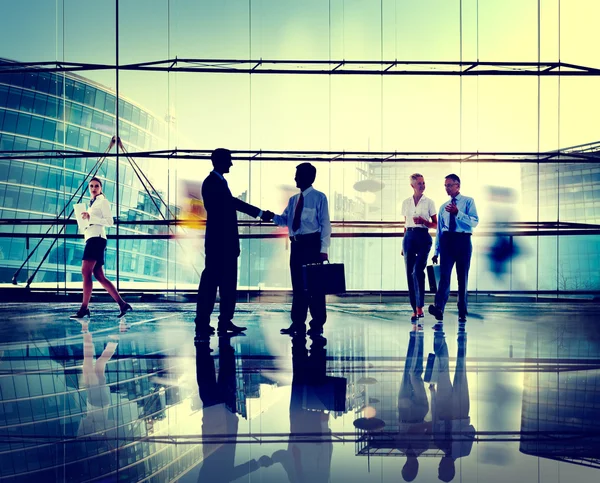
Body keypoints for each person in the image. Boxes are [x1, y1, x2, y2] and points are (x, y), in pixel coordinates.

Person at [195, 148, 273, 339]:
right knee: (212, 284)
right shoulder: (212, 183)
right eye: (229, 160)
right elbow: (232, 204)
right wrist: (261, 213)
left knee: (227, 284)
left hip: (224, 244)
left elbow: (230, 205)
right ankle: (204, 322)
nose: (231, 164)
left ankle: (223, 321)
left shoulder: (218, 182)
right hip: (219, 244)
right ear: (220, 161)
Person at [195, 337, 272, 482]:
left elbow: (235, 473)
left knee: (223, 376)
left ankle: (214, 340)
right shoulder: (208, 478)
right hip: (217, 417)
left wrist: (259, 463)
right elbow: (235, 473)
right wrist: (258, 464)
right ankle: (207, 342)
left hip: (221, 418)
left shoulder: (213, 479)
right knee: (214, 377)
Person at [272, 163, 331, 336]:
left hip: (312, 246)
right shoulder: (293, 201)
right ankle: (297, 323)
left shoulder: (319, 198)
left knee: (315, 287)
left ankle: (317, 323)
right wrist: (268, 215)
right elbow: (284, 220)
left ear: (308, 177)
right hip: (296, 246)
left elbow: (325, 224)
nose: (295, 178)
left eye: (297, 174)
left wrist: (323, 248)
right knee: (298, 286)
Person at [70, 177, 131, 319]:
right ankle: (122, 304)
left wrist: (90, 217)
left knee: (86, 271)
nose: (93, 188)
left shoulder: (103, 202)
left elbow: (110, 222)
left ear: (101, 188)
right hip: (92, 238)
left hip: (97, 239)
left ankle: (84, 308)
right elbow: (91, 221)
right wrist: (85, 222)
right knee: (98, 275)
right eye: (91, 186)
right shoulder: (91, 204)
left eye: (96, 186)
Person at [428, 174, 478, 326]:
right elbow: (440, 231)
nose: (447, 188)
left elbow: (474, 222)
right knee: (444, 277)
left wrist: (458, 213)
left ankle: (462, 311)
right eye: (445, 185)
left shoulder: (468, 201)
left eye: (449, 185)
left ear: (458, 186)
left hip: (462, 241)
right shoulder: (443, 207)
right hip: (447, 242)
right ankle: (439, 309)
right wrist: (436, 251)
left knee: (462, 278)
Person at [430, 329, 474, 482]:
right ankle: (462, 332)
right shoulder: (464, 451)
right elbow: (472, 430)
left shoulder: (438, 442)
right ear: (451, 468)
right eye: (442, 468)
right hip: (460, 411)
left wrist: (433, 395)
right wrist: (456, 435)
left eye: (439, 468)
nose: (440, 464)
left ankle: (439, 334)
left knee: (442, 370)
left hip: (442, 408)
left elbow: (434, 418)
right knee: (461, 367)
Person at [401, 174, 437, 322]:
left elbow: (435, 225)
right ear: (412, 186)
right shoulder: (406, 203)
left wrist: (424, 221)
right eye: (419, 183)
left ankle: (420, 306)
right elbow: (405, 223)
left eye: (423, 183)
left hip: (423, 237)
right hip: (409, 237)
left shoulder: (429, 202)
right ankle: (414, 309)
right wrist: (403, 244)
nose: (422, 185)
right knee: (409, 273)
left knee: (417, 271)